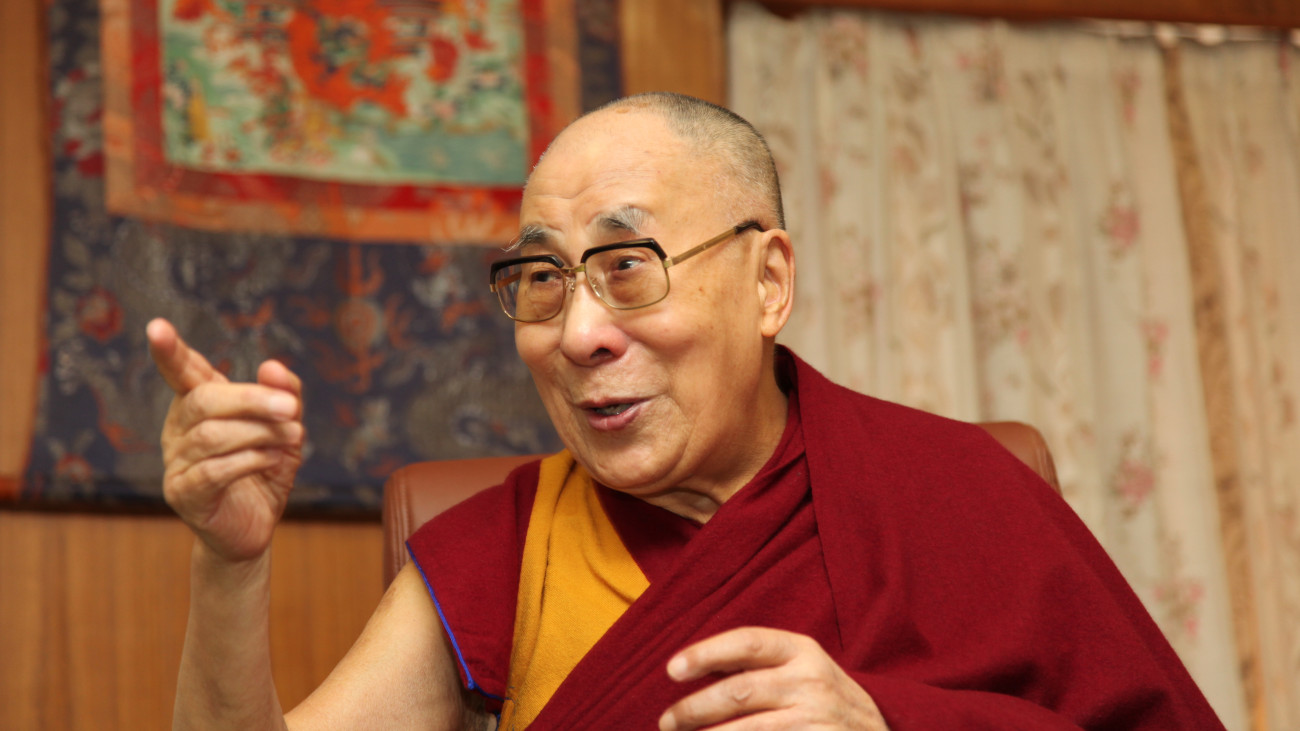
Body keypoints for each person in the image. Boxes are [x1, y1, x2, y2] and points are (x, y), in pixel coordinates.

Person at [148, 92, 1226, 730]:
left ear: (768, 283)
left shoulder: (954, 489)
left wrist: (888, 724)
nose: (577, 332)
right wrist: (229, 562)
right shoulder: (505, 543)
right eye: (541, 278)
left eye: (628, 265)